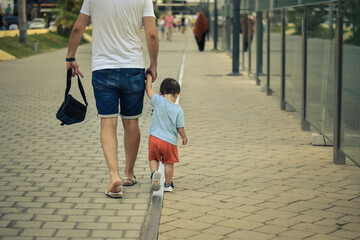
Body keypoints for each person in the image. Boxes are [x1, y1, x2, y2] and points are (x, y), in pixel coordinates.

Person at [66, 0, 159, 198]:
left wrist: (70, 57)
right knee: (131, 122)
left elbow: (77, 28)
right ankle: (129, 174)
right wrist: (153, 64)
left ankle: (113, 177)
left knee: (107, 122)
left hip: (103, 68)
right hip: (133, 68)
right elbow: (151, 34)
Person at [145, 74, 188, 192]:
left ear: (160, 92)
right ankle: (168, 185)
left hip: (154, 139)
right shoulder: (178, 109)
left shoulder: (157, 100)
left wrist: (149, 76)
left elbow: (148, 89)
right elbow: (180, 127)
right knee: (169, 163)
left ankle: (154, 174)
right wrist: (183, 137)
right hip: (169, 142)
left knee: (153, 158)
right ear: (177, 94)